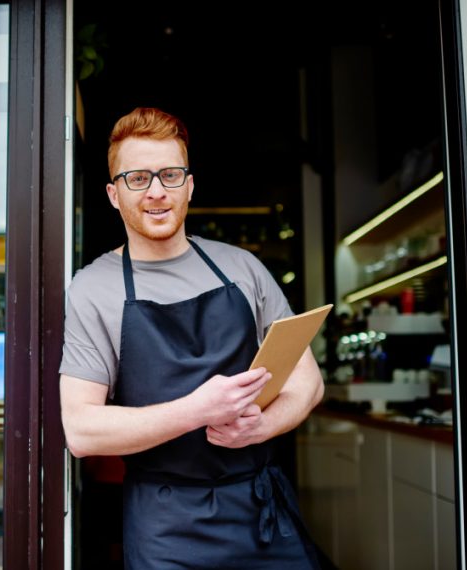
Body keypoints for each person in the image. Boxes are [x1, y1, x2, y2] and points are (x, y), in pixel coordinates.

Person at [59, 107, 324, 569]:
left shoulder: (243, 268)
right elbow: (82, 430)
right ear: (113, 194)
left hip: (260, 510)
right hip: (167, 526)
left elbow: (308, 383)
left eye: (170, 175)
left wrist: (261, 426)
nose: (157, 192)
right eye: (137, 178)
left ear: (190, 186)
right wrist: (199, 410)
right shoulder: (93, 288)